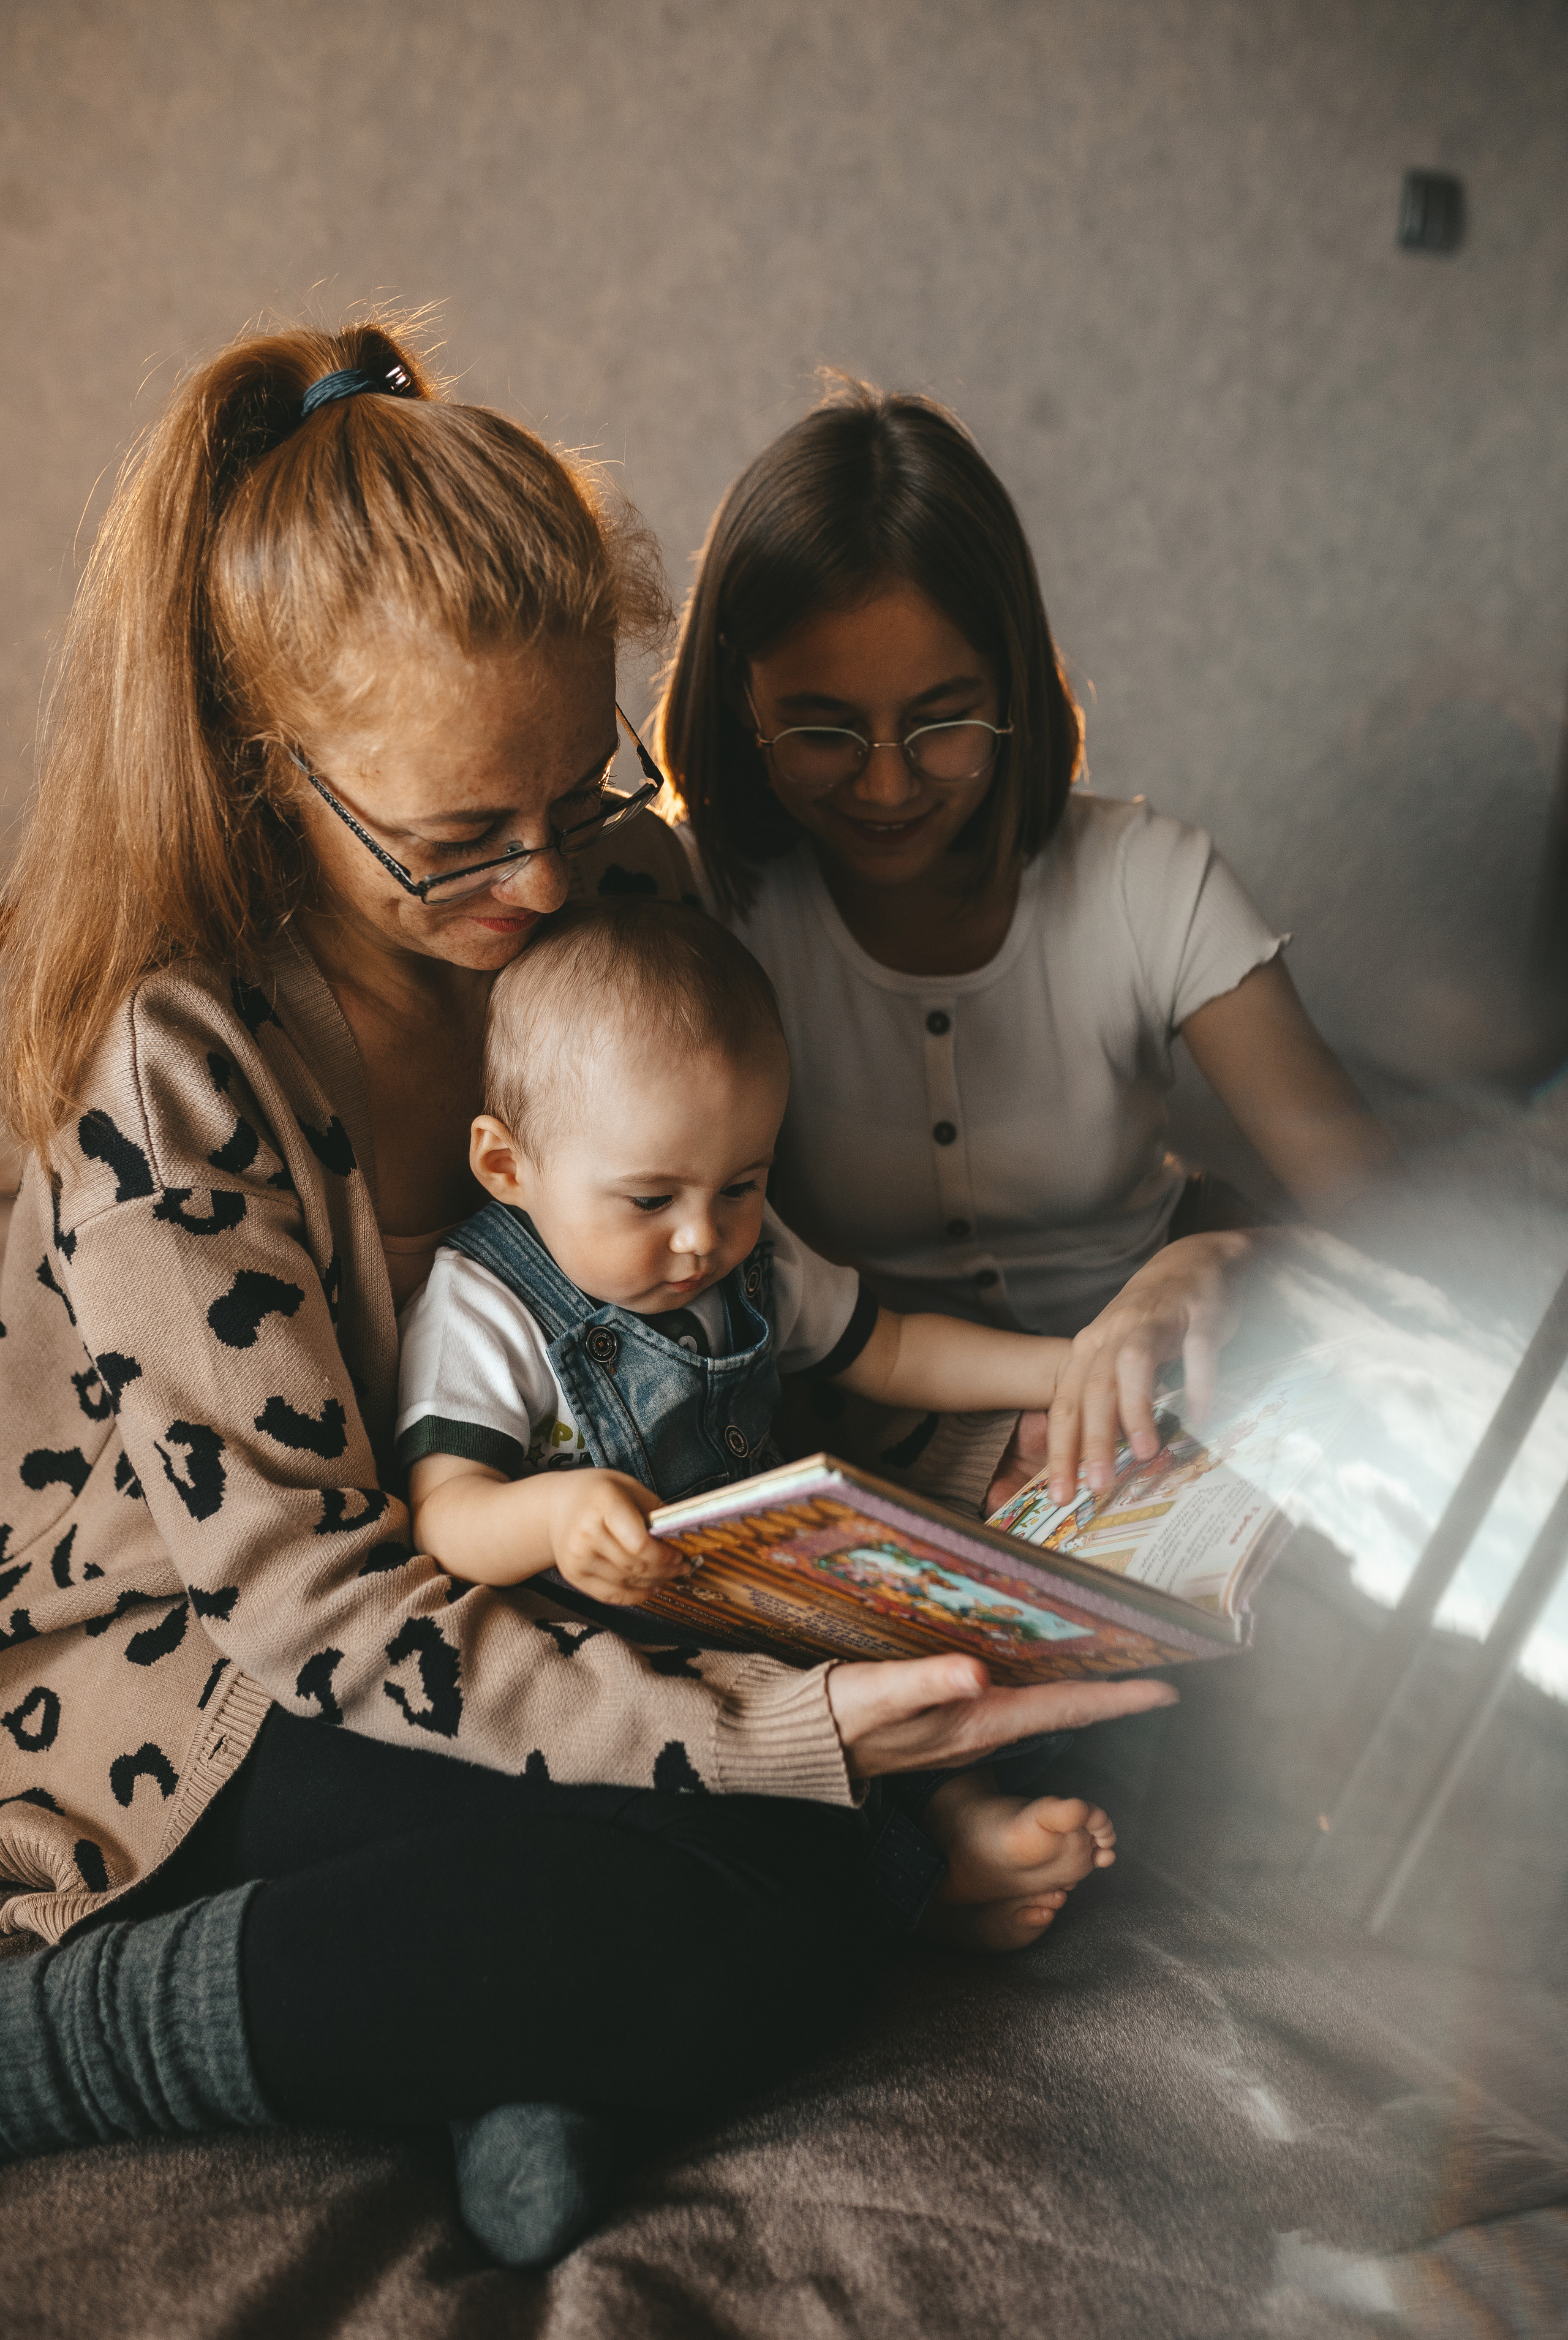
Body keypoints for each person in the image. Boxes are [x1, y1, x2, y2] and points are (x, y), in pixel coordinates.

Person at [0, 319, 1174, 2269]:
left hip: (540, 1590)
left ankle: (521, 2038)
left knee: (1008, 1746)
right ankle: (58, 2040)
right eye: (458, 836)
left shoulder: (625, 896)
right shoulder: (178, 1073)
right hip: (202, 1695)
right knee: (741, 1882)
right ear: (263, 764)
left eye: (581, 781)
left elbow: (750, 1321)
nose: (547, 878)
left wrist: (1014, 1493)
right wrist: (781, 1734)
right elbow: (317, 1614)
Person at [657, 377, 1394, 1513]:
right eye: (823, 730)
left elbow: (1386, 1224)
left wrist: (1219, 1261)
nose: (889, 784)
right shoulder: (698, 900)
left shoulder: (1154, 881)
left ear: (1016, 684)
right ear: (740, 699)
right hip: (880, 1437)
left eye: (944, 718)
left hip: (1184, 1396)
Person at [396, 897, 1125, 1936]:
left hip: (771, 1587)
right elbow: (442, 1510)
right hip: (610, 1644)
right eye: (650, 1201)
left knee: (917, 1669)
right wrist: (556, 1517)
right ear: (508, 1167)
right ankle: (920, 1895)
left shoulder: (753, 1251)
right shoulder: (484, 1303)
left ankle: (964, 1821)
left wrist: (1068, 1369)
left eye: (741, 1183)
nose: (703, 1238)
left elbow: (894, 1348)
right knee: (752, 1766)